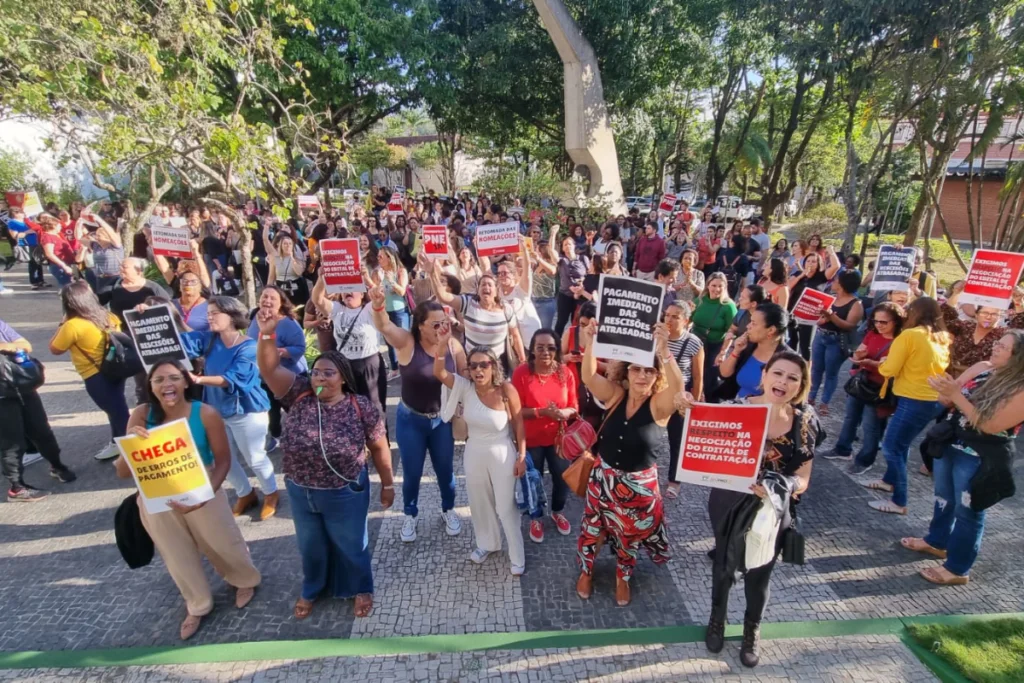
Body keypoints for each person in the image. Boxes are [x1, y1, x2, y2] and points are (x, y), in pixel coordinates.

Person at [255, 317, 394, 620]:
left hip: (344, 491)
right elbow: (268, 369)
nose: (320, 379)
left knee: (353, 544)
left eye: (328, 374)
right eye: (316, 372)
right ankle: (313, 587)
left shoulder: (361, 407)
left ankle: (361, 587)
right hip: (301, 491)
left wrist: (387, 484)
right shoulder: (299, 394)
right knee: (310, 546)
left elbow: (380, 448)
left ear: (343, 378)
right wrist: (266, 334)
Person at [694, 351, 823, 668]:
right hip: (729, 502)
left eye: (793, 377)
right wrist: (687, 408)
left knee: (760, 572)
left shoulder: (805, 421)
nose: (783, 381)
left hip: (774, 509)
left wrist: (778, 487)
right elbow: (705, 445)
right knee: (724, 566)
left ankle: (752, 630)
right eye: (777, 373)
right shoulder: (736, 409)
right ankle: (717, 620)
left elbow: (803, 478)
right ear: (764, 376)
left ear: (800, 385)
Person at [116, 360, 261, 640]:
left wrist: (207, 494)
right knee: (175, 553)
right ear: (150, 386)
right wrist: (130, 444)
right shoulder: (140, 414)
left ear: (185, 382)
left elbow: (223, 461)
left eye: (173, 378)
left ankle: (244, 580)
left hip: (201, 486)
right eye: (159, 380)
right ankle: (197, 604)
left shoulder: (205, 413)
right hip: (156, 495)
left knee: (223, 541)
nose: (166, 385)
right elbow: (123, 472)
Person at [900, 331, 1024, 586]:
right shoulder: (983, 367)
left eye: (1002, 346)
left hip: (980, 456)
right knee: (943, 498)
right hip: (951, 443)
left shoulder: (1020, 388)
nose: (995, 347)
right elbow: (948, 398)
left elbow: (990, 424)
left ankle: (958, 568)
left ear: (1018, 357)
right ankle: (937, 541)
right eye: (997, 343)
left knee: (969, 511)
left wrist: (955, 396)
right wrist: (944, 391)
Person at [574, 320, 680, 607]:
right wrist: (591, 343)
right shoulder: (616, 394)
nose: (642, 375)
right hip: (603, 479)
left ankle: (623, 577)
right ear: (627, 371)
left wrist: (665, 350)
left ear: (657, 375)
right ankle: (586, 571)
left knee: (628, 536)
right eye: (636, 368)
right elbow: (587, 377)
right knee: (592, 528)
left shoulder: (659, 406)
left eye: (649, 370)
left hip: (638, 487)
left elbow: (679, 388)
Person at [371, 294, 467, 542]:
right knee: (412, 473)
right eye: (435, 324)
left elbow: (466, 376)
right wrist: (379, 305)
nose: (442, 328)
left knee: (446, 471)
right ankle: (410, 514)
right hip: (411, 419)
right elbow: (384, 325)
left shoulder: (453, 344)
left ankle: (448, 509)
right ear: (419, 325)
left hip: (442, 420)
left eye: (444, 322)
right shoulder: (407, 342)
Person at [181, 296, 280, 520]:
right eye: (209, 312)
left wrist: (198, 381)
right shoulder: (208, 340)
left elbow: (234, 379)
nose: (209, 316)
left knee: (254, 457)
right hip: (216, 411)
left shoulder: (249, 346)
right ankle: (245, 493)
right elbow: (178, 342)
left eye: (215, 313)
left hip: (247, 411)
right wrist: (156, 315)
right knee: (220, 458)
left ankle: (271, 492)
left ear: (232, 316)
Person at [436, 339, 527, 574]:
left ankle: (517, 554)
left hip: (502, 451)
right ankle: (488, 543)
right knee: (479, 502)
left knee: (506, 507)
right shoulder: (465, 388)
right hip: (474, 450)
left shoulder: (507, 389)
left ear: (493, 366)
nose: (478, 370)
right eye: (473, 366)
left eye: (483, 365)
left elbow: (518, 422)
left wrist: (522, 456)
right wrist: (441, 345)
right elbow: (439, 371)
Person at [867, 298, 951, 515]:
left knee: (891, 447)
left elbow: (889, 370)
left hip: (914, 399)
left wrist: (883, 361)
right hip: (931, 400)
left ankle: (899, 501)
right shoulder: (941, 337)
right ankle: (889, 481)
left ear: (915, 313)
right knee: (901, 445)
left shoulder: (910, 335)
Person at [49, 281, 128, 461]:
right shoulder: (108, 316)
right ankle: (117, 443)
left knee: (119, 413)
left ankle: (132, 454)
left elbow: (54, 348)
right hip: (115, 370)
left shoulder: (73, 325)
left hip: (95, 376)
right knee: (116, 407)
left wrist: (63, 323)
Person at [512, 329, 579, 543]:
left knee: (562, 477)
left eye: (551, 347)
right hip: (531, 439)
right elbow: (514, 412)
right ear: (532, 350)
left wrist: (562, 413)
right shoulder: (522, 373)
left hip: (558, 438)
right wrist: (541, 412)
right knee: (535, 479)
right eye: (540, 347)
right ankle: (536, 517)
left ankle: (557, 511)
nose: (545, 352)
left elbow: (574, 407)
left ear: (557, 350)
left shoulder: (565, 373)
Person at [1, 319, 76, 500]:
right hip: (2, 398)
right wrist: (8, 347)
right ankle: (16, 487)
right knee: (12, 442)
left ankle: (56, 465)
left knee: (42, 431)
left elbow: (25, 345)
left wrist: (6, 345)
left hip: (23, 386)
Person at [825, 302, 904, 475]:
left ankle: (865, 460)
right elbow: (858, 354)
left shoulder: (901, 341)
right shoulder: (872, 334)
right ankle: (842, 449)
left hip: (880, 389)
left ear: (896, 321)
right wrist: (858, 356)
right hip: (862, 383)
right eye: (876, 321)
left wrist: (871, 363)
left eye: (884, 322)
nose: (879, 325)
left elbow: (893, 368)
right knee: (850, 417)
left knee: (871, 426)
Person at [310, 273, 387, 425]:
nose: (347, 291)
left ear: (362, 292)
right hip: (346, 366)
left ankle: (380, 443)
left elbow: (379, 297)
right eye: (344, 288)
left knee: (374, 408)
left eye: (352, 288)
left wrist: (366, 277)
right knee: (349, 407)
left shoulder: (369, 309)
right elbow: (317, 300)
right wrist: (322, 277)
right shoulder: (337, 309)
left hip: (369, 365)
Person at [429, 262, 524, 373]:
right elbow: (443, 296)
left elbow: (515, 335)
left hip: (496, 365)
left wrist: (522, 360)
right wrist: (431, 272)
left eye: (489, 285)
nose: (486, 287)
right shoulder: (468, 303)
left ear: (496, 291)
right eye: (483, 284)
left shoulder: (506, 309)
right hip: (473, 366)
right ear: (478, 290)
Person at [245, 286, 307, 452]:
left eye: (273, 298)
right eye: (265, 297)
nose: (267, 301)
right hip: (265, 375)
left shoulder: (289, 323)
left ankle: (304, 437)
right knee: (271, 410)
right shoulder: (255, 317)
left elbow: (300, 348)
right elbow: (251, 342)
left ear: (281, 304)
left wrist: (280, 352)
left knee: (296, 410)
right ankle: (276, 436)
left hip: (290, 375)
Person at [808, 269, 864, 415]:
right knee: (816, 370)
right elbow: (818, 319)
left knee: (831, 373)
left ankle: (825, 402)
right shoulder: (830, 297)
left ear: (843, 284)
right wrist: (823, 319)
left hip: (837, 341)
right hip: (821, 336)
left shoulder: (856, 304)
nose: (833, 282)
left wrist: (831, 316)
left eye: (836, 280)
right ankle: (810, 397)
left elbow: (849, 326)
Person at [663, 301, 704, 500]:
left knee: (677, 439)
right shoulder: (657, 338)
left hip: (681, 394)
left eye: (675, 316)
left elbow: (698, 376)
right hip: (657, 391)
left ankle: (674, 480)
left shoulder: (694, 342)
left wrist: (694, 403)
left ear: (686, 320)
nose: (669, 320)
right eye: (667, 315)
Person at [940, 281, 1024, 377]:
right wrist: (956, 294)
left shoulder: (1003, 335)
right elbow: (946, 316)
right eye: (984, 313)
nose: (988, 317)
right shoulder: (965, 327)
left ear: (1000, 317)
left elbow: (1019, 327)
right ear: (976, 315)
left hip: (981, 383)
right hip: (951, 378)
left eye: (994, 314)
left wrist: (1018, 302)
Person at [717, 303, 788, 400]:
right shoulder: (748, 346)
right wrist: (736, 352)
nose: (748, 326)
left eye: (753, 323)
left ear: (771, 330)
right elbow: (724, 374)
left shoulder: (787, 361)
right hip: (736, 405)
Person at [786, 249, 840, 359]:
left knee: (805, 346)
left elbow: (836, 266)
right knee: (792, 342)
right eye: (808, 261)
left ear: (818, 263)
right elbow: (788, 287)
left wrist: (831, 252)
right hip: (793, 313)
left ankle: (806, 371)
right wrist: (801, 275)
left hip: (809, 315)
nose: (810, 263)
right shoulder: (798, 274)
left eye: (813, 261)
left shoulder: (821, 276)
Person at [691, 273, 738, 394]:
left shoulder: (728, 306)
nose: (716, 289)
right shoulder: (699, 301)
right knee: (693, 373)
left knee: (708, 377)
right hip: (695, 342)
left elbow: (731, 331)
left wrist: (723, 352)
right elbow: (689, 319)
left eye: (720, 286)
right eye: (714, 285)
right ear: (708, 286)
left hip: (714, 345)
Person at [372, 246, 410, 377]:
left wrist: (391, 280)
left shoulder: (400, 271)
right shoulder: (378, 272)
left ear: (389, 257)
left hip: (399, 310)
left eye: (381, 256)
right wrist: (378, 281)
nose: (378, 259)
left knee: (403, 340)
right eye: (378, 256)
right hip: (385, 311)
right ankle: (394, 368)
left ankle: (405, 367)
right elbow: (374, 292)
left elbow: (402, 291)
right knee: (389, 341)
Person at [493, 249, 542, 353]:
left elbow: (527, 271)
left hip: (529, 338)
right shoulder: (497, 292)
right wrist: (478, 248)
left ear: (513, 274)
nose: (502, 276)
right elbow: (485, 268)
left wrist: (524, 248)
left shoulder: (521, 290)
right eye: (499, 273)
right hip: (510, 340)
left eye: (505, 273)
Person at [554, 233, 589, 336]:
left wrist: (582, 282)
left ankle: (575, 345)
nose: (567, 246)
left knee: (577, 322)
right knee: (561, 322)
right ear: (563, 249)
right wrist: (552, 235)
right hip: (565, 295)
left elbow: (590, 274)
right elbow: (552, 254)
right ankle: (556, 344)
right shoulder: (561, 260)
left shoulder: (583, 258)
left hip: (580, 296)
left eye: (569, 244)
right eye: (565, 245)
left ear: (574, 246)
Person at [265, 231, 309, 307]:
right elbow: (271, 277)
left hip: (297, 287)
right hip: (282, 287)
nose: (287, 246)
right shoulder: (276, 259)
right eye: (285, 244)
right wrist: (267, 290)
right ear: (281, 245)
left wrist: (292, 258)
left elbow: (299, 272)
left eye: (290, 244)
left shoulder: (297, 259)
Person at [37, 213, 80, 287]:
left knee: (73, 285)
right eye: (59, 225)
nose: (60, 226)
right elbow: (49, 254)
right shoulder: (48, 237)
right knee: (67, 286)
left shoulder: (57, 235)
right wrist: (64, 266)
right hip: (60, 266)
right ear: (53, 226)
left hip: (69, 263)